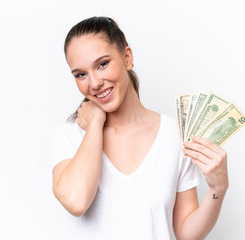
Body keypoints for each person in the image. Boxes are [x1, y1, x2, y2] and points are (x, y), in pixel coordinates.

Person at [48, 16, 229, 240]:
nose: (94, 83)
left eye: (102, 64)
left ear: (127, 57)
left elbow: (186, 234)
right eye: (81, 74)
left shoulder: (174, 136)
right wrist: (95, 124)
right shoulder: (69, 137)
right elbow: (76, 201)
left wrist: (217, 191)